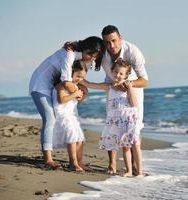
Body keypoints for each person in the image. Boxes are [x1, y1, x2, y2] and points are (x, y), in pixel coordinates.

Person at [65, 25, 149, 174]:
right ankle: (112, 165)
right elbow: (87, 48)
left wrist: (127, 84)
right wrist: (72, 45)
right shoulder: (103, 50)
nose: (111, 46)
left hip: (132, 91)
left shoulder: (133, 52)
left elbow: (144, 81)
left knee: (134, 130)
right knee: (113, 129)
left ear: (120, 38)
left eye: (114, 41)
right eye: (107, 42)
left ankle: (135, 168)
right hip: (111, 91)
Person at [29, 36, 104, 169]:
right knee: (50, 118)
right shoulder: (70, 55)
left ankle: (76, 161)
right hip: (40, 85)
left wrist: (84, 91)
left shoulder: (78, 58)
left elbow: (77, 81)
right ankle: (48, 160)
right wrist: (79, 93)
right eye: (91, 56)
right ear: (85, 49)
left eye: (94, 57)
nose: (92, 59)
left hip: (52, 85)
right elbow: (65, 81)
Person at [82, 59, 143, 176]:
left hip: (129, 120)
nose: (118, 75)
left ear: (126, 75)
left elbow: (134, 104)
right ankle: (129, 171)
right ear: (111, 72)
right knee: (125, 147)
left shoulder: (127, 86)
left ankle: (140, 171)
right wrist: (78, 78)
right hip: (117, 121)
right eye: (115, 72)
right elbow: (90, 84)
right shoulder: (109, 87)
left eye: (121, 73)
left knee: (135, 145)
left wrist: (130, 88)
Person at [52, 60, 88, 172]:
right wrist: (75, 94)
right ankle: (73, 163)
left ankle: (79, 162)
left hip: (73, 116)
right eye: (78, 76)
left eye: (82, 77)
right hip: (62, 115)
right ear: (71, 72)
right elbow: (61, 100)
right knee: (72, 136)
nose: (79, 79)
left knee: (80, 138)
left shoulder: (76, 86)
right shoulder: (61, 85)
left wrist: (81, 95)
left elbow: (77, 100)